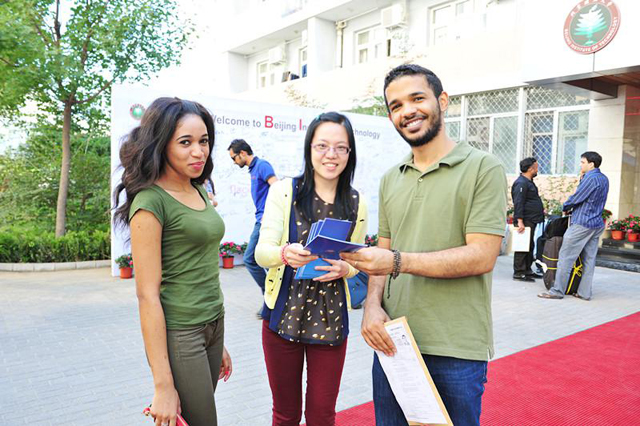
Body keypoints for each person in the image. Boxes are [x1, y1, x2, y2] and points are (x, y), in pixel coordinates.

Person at [341, 64, 507, 426]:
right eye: (396, 106)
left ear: (442, 101)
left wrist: (396, 261)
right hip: (393, 341)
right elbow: (383, 252)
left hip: (456, 348)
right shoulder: (391, 178)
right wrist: (371, 307)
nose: (408, 111)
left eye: (417, 98)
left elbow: (482, 255)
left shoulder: (483, 168)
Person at [113, 97, 232, 426]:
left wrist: (217, 343)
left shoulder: (199, 190)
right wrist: (163, 385)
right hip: (182, 333)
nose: (199, 152)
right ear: (162, 144)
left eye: (204, 141)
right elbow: (147, 295)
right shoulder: (150, 202)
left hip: (214, 323)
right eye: (185, 142)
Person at [255, 112, 368, 426]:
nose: (331, 154)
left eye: (340, 147)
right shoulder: (284, 192)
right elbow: (261, 253)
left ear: (349, 153)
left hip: (331, 319)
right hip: (283, 316)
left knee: (321, 415)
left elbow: (357, 260)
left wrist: (346, 268)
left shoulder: (357, 202)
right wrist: (284, 253)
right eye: (322, 146)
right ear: (309, 149)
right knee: (285, 415)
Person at [538, 151, 609, 301]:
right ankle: (584, 293)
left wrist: (565, 206)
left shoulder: (591, 178)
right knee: (589, 260)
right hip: (596, 224)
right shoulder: (603, 178)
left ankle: (557, 291)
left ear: (591, 164)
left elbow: (577, 197)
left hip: (582, 223)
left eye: (583, 162)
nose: (580, 165)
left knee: (565, 257)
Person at [228, 139, 277, 310]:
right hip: (261, 219)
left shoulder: (262, 165)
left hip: (265, 220)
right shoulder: (254, 169)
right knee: (259, 260)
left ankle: (270, 297)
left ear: (242, 153)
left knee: (249, 258)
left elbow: (277, 188)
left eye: (234, 158)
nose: (234, 162)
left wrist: (270, 214)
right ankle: (272, 298)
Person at [511, 157, 544, 282]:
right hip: (525, 220)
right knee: (522, 246)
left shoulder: (528, 182)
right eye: (536, 167)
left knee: (529, 245)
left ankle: (527, 270)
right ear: (530, 169)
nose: (537, 170)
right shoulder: (521, 183)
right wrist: (520, 221)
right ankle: (519, 272)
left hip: (531, 219)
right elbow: (518, 202)